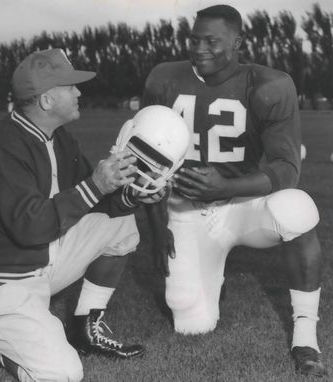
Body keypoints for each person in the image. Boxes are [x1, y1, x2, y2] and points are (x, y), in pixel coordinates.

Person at [0, 48, 166, 382]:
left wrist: (133, 196)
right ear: (46, 100)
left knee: (121, 224)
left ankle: (85, 325)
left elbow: (94, 203)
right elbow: (31, 227)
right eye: (71, 87)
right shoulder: (2, 147)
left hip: (31, 262)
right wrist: (95, 185)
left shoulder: (56, 136)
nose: (79, 92)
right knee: (63, 373)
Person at [142, 5, 327, 378]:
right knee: (191, 322)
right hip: (187, 210)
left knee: (297, 209)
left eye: (212, 40)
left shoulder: (269, 84)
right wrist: (156, 227)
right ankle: (211, 275)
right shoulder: (164, 78)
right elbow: (147, 164)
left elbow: (286, 170)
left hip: (245, 203)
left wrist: (225, 186)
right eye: (194, 38)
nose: (200, 48)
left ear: (238, 41)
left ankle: (305, 334)